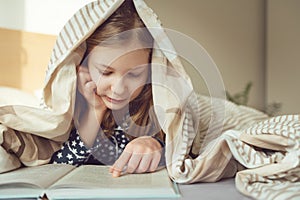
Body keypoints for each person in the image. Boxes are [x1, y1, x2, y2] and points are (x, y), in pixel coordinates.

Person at [50, 0, 165, 178]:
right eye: (105, 72)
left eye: (134, 75)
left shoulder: (154, 105)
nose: (118, 89)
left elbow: (182, 151)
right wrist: (95, 111)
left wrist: (154, 145)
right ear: (83, 65)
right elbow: (57, 168)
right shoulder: (72, 105)